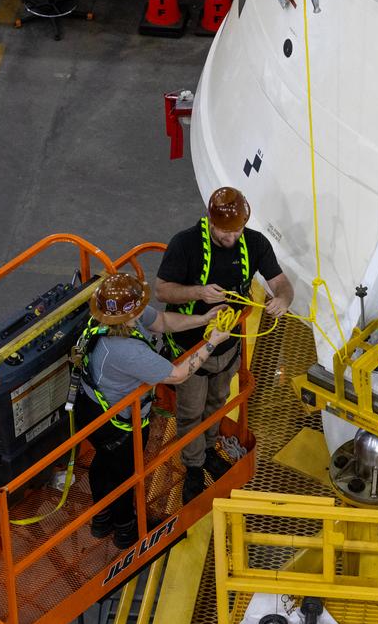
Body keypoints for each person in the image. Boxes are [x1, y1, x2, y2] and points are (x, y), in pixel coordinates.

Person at [75, 271, 234, 549]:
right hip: (116, 424)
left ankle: (101, 519)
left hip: (92, 408)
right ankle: (125, 530)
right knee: (126, 475)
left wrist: (203, 319)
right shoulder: (126, 351)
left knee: (104, 462)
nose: (142, 311)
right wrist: (213, 342)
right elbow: (178, 374)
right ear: (127, 315)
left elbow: (161, 321)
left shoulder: (111, 320)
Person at [156, 187, 294, 502]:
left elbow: (279, 282)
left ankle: (208, 448)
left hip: (227, 348)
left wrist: (283, 299)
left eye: (237, 231)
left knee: (217, 402)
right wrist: (199, 293)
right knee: (191, 412)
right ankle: (193, 466)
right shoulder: (185, 245)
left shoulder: (255, 243)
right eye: (224, 232)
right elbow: (163, 291)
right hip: (191, 350)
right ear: (210, 221)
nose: (232, 238)